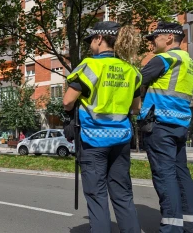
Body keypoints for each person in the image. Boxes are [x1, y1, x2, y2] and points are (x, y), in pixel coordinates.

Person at [63, 21, 142, 233]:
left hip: (93, 140)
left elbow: (67, 101)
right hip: (121, 139)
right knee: (123, 194)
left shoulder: (91, 66)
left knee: (97, 197)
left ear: (99, 39)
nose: (90, 46)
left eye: (91, 41)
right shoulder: (131, 70)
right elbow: (136, 108)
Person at [140, 21, 193, 233]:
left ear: (168, 38)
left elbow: (135, 82)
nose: (152, 42)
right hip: (180, 126)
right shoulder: (190, 63)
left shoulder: (164, 59)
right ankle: (191, 226)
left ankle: (171, 228)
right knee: (182, 175)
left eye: (155, 37)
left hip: (160, 126)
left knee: (165, 178)